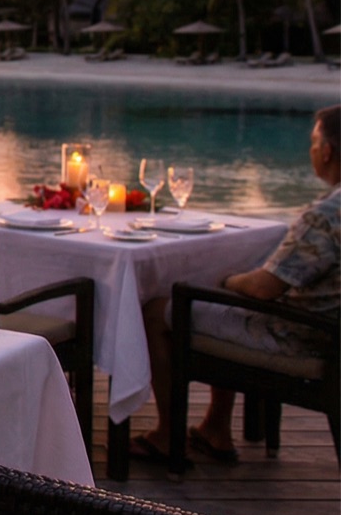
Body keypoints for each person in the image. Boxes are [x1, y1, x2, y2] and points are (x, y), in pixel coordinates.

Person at [136, 103, 340, 463]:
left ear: (326, 152)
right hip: (327, 330)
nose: (310, 150)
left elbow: (263, 289)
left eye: (313, 142)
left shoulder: (326, 215)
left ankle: (168, 434)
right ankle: (216, 427)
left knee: (156, 310)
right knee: (218, 299)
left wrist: (229, 278)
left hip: (301, 338)